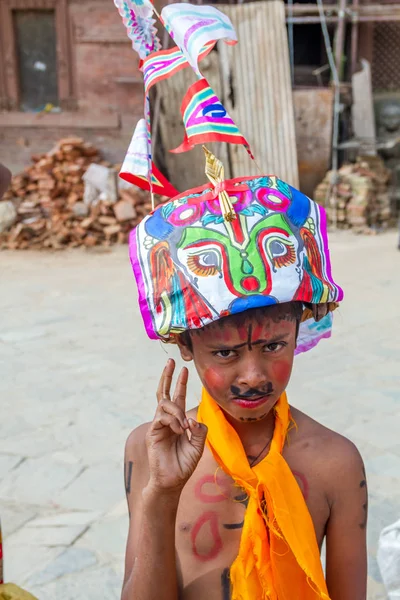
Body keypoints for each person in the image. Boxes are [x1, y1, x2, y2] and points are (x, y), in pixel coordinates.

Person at [122, 149, 368, 600]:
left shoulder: (335, 462)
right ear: (186, 346)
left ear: (299, 331)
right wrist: (160, 495)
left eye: (274, 346)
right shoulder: (148, 451)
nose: (252, 376)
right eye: (225, 353)